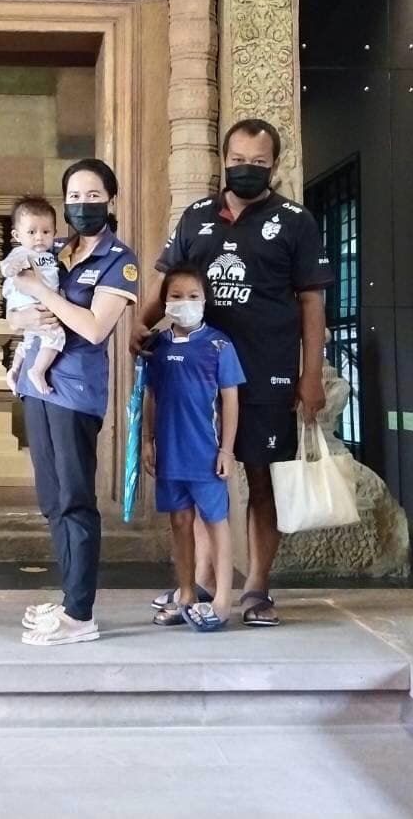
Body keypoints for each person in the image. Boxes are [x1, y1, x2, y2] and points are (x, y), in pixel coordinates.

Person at [133, 119, 333, 627]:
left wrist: (311, 375)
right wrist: (142, 324)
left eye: (258, 162)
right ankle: (200, 581)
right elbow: (168, 280)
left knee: (261, 477)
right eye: (239, 160)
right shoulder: (197, 216)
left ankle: (257, 587)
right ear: (224, 160)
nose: (247, 169)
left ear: (274, 165)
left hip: (267, 370)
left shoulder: (295, 221)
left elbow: (312, 301)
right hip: (197, 376)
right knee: (200, 474)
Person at [8, 158, 139, 646]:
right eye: (75, 197)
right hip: (36, 386)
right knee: (51, 498)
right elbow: (16, 316)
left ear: (110, 199)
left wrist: (39, 293)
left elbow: (94, 327)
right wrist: (25, 317)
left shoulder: (119, 259)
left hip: (76, 392)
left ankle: (80, 614)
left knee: (75, 499)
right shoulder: (52, 247)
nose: (84, 205)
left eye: (93, 196)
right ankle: (68, 599)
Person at [141, 264, 244, 632]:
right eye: (176, 296)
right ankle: (186, 594)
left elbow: (230, 400)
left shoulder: (219, 345)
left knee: (216, 523)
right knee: (180, 522)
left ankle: (222, 600)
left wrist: (226, 450)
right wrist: (148, 441)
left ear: (205, 300)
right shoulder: (157, 347)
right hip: (169, 455)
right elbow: (151, 396)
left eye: (193, 296)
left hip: (206, 456)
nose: (184, 302)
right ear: (165, 302)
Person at [0, 196, 63, 395]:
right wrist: (12, 268)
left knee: (30, 339)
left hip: (38, 303)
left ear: (55, 233)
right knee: (56, 334)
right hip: (30, 302)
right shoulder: (23, 252)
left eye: (46, 232)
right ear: (17, 235)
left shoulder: (50, 255)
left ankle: (14, 370)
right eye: (31, 232)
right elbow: (7, 266)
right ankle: (38, 370)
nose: (39, 238)